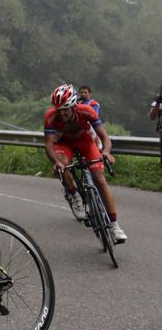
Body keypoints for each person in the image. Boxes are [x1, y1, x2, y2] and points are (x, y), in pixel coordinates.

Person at [45, 84, 126, 243]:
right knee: (62, 164)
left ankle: (115, 225)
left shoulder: (86, 111)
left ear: (74, 105)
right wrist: (56, 162)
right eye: (59, 109)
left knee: (100, 180)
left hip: (85, 142)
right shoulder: (50, 116)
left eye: (66, 109)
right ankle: (74, 195)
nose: (62, 113)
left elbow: (104, 136)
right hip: (64, 143)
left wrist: (106, 152)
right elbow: (48, 144)